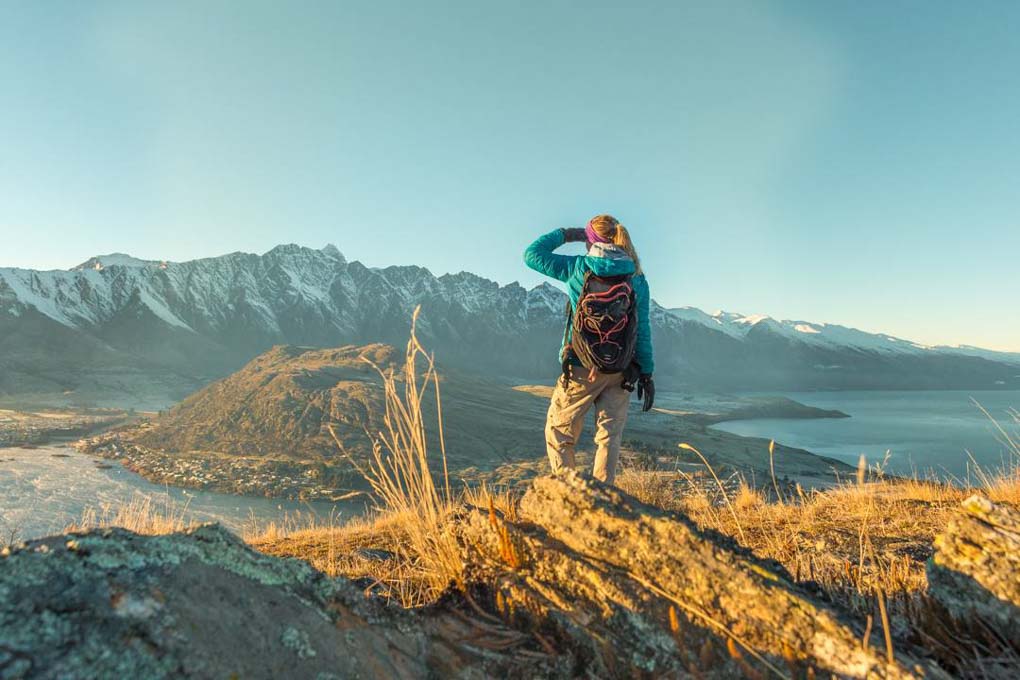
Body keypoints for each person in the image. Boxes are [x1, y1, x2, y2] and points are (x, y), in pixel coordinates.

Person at [523, 214, 654, 484]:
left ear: (590, 240)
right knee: (609, 437)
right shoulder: (636, 278)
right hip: (621, 369)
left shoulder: (577, 268)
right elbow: (642, 330)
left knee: (560, 433)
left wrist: (566, 234)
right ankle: (603, 499)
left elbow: (531, 255)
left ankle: (570, 496)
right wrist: (647, 372)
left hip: (581, 366)